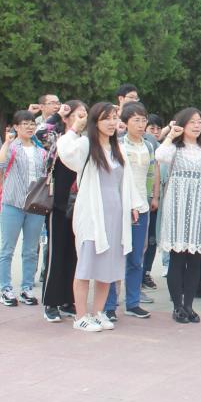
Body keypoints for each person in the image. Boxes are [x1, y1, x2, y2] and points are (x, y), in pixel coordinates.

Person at [57, 103, 147, 332]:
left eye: (114, 118)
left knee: (108, 268)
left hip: (116, 215)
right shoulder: (86, 145)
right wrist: (75, 128)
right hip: (93, 214)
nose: (111, 123)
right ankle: (80, 316)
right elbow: (65, 152)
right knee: (86, 267)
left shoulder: (118, 149)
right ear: (95, 121)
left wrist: (134, 204)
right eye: (106, 118)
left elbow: (127, 181)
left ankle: (98, 312)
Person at [156, 108, 201, 324]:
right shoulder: (174, 148)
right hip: (177, 206)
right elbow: (160, 156)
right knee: (178, 257)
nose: (197, 126)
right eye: (192, 122)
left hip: (200, 207)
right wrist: (170, 136)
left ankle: (189, 306)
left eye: (200, 122)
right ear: (182, 124)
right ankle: (177, 306)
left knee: (195, 260)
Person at [103, 102, 159, 321]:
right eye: (136, 120)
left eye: (144, 120)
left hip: (142, 207)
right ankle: (109, 304)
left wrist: (152, 197)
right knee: (115, 256)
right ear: (125, 123)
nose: (141, 124)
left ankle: (133, 302)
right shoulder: (117, 145)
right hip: (120, 207)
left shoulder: (149, 146)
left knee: (136, 257)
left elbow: (151, 174)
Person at [0, 110, 49, 307]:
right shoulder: (12, 147)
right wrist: (7, 143)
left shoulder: (41, 150)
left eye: (32, 123)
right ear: (16, 127)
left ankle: (27, 288)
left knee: (31, 250)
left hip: (35, 205)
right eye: (25, 123)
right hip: (13, 203)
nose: (30, 127)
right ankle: (6, 289)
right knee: (7, 248)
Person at [35, 100, 85, 322]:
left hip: (79, 204)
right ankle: (51, 301)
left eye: (84, 115)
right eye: (77, 115)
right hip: (57, 203)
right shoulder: (57, 138)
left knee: (74, 254)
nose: (81, 119)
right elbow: (40, 134)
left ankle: (68, 299)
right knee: (56, 253)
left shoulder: (84, 141)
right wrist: (57, 115)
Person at [142, 113, 165, 290]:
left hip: (154, 201)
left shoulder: (161, 149)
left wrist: (156, 197)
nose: (156, 132)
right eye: (152, 128)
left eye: (158, 128)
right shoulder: (142, 145)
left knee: (152, 239)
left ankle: (146, 272)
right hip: (139, 200)